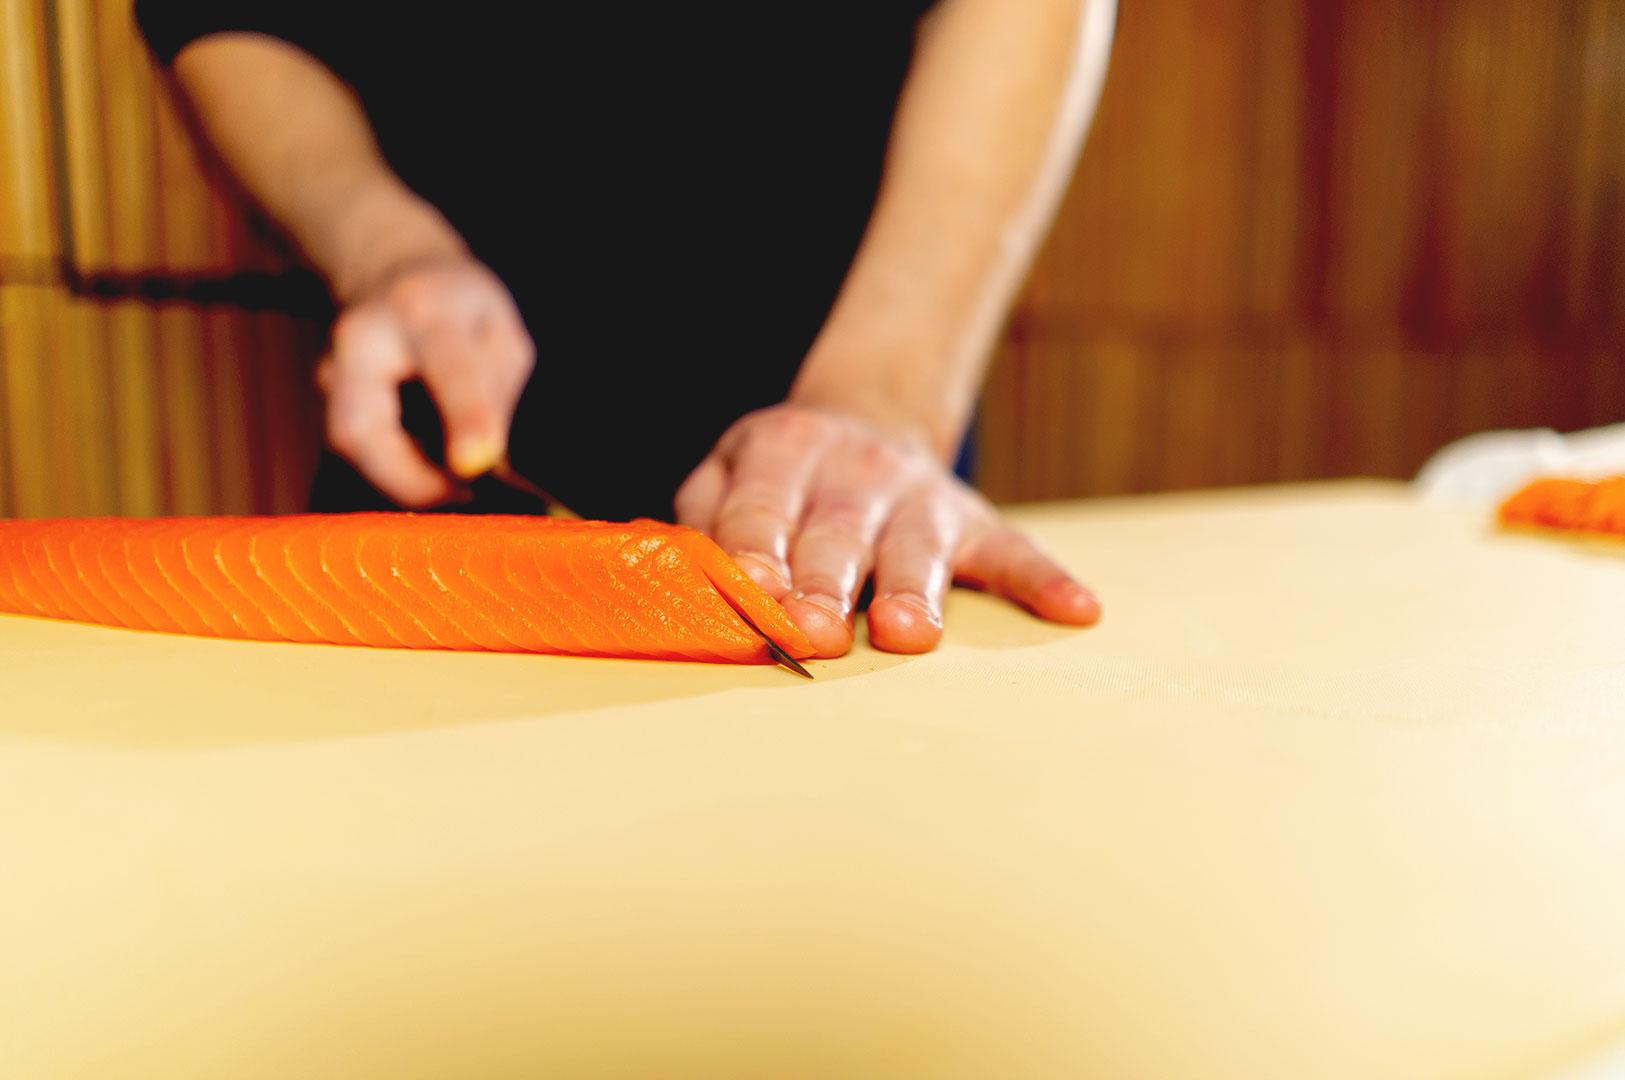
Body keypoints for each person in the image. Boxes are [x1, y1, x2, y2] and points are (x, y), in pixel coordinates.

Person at [137, 1, 1114, 657]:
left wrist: (882, 392)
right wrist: (383, 246)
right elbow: (229, 11)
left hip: (845, 495)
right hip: (439, 454)